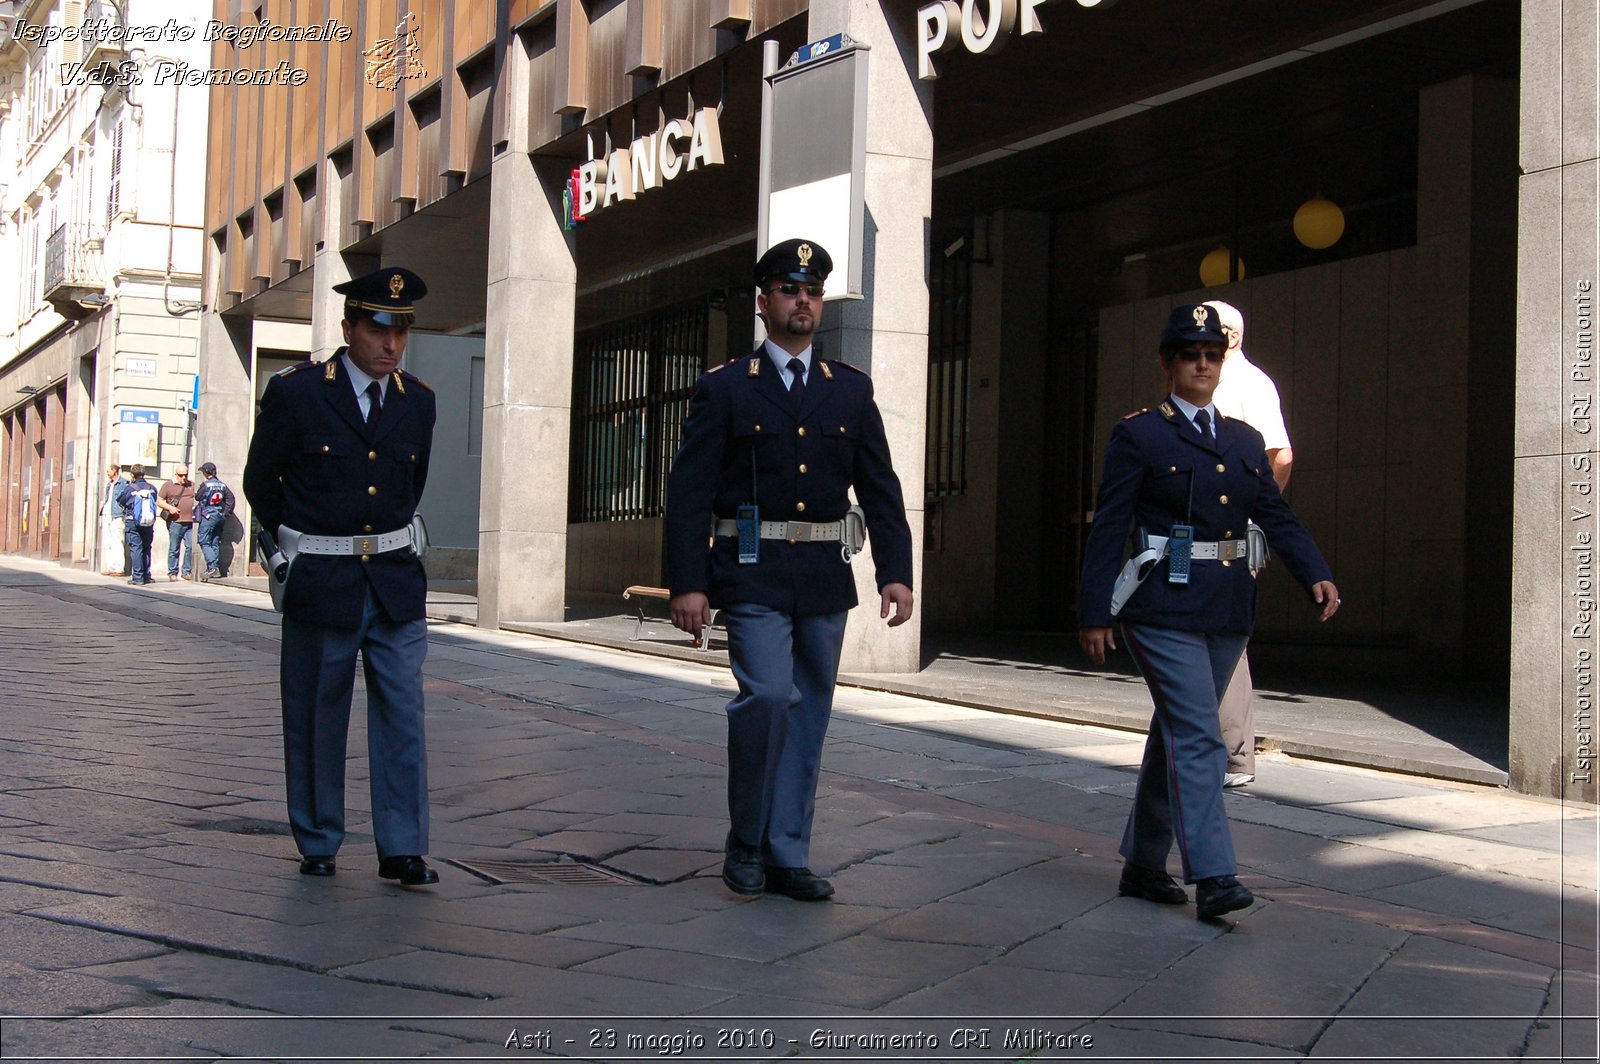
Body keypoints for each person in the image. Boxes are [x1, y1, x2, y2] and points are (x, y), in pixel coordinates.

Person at [664, 238, 915, 901]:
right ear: (763, 301)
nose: (802, 301)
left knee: (809, 718)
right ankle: (746, 839)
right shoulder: (724, 389)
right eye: (789, 289)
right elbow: (688, 494)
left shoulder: (849, 393)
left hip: (824, 576)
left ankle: (786, 853)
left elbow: (881, 489)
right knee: (769, 699)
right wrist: (688, 583)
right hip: (751, 573)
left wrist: (896, 570)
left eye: (812, 291)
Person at [1078, 303, 1339, 921]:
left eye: (1212, 355)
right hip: (1160, 605)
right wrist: (1095, 611)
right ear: (1168, 364)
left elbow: (1275, 515)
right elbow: (1110, 523)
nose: (1202, 363)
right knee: (1201, 735)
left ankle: (1144, 865)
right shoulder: (1139, 434)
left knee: (1178, 732)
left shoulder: (1245, 441)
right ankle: (1216, 876)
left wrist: (1316, 573)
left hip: (1225, 608)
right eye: (1190, 354)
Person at [242, 267, 439, 886]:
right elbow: (260, 483)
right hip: (322, 579)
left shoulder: (419, 401)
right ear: (350, 326)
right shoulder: (298, 392)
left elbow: (412, 485)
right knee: (316, 711)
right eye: (379, 328)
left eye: (401, 331)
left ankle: (403, 847)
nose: (391, 344)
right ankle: (319, 837)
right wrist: (293, 550)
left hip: (394, 581)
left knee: (403, 712)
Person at [1206, 299, 1294, 789]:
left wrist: (1254, 509)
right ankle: (1209, 746)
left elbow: (1280, 454)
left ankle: (1232, 752)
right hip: (1191, 534)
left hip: (1229, 536)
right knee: (1196, 628)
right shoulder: (1205, 381)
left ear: (1232, 338)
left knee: (1223, 633)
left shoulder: (1249, 383)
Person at [115, 464, 158, 586]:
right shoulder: (152, 488)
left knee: (136, 548)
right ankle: (146, 575)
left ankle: (138, 577)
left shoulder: (130, 488)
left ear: (132, 475)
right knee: (146, 547)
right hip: (148, 522)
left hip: (133, 521)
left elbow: (121, 500)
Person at [194, 462, 236, 579]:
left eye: (203, 471)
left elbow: (198, 497)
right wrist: (226, 512)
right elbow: (231, 498)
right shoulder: (222, 485)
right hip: (219, 516)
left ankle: (213, 568)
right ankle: (213, 567)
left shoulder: (206, 485)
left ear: (206, 472)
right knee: (215, 541)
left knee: (204, 541)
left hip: (208, 515)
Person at [158, 465, 197, 581]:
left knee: (190, 547)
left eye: (186, 475)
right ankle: (172, 572)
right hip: (175, 522)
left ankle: (186, 571)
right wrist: (170, 508)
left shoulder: (192, 485)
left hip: (190, 522)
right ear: (176, 474)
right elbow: (159, 501)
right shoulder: (168, 485)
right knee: (174, 548)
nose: (183, 478)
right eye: (181, 475)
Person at [99, 465, 128, 576]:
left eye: (108, 471)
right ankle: (110, 567)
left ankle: (118, 568)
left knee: (117, 540)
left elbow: (124, 500)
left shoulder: (123, 484)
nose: (107, 473)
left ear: (115, 471)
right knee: (108, 542)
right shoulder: (109, 484)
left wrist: (123, 512)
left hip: (117, 514)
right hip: (107, 513)